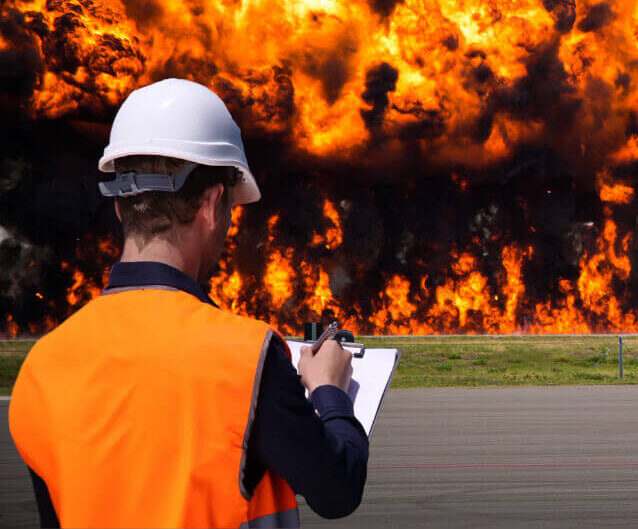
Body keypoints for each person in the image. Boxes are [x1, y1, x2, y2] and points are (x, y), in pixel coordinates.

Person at [8, 79, 368, 528]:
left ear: (121, 208)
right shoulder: (248, 357)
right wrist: (330, 391)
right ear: (213, 205)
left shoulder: (40, 368)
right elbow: (336, 489)